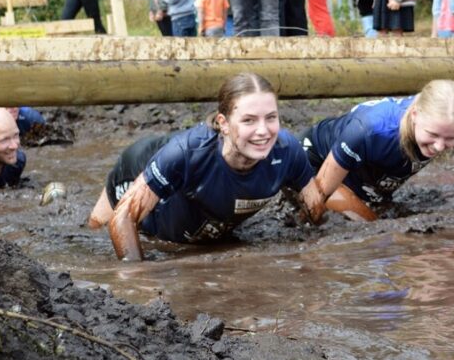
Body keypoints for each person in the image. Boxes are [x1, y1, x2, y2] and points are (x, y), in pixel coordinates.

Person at [87, 73, 321, 261]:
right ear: (224, 124)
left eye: (271, 118)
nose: (263, 131)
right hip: (139, 166)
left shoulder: (288, 150)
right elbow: (123, 218)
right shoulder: (187, 154)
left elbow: (316, 212)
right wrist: (138, 278)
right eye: (249, 120)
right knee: (94, 236)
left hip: (202, 211)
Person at [298, 79, 454, 223]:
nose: (439, 146)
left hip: (365, 172)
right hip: (316, 163)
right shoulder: (370, 130)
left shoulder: (449, 121)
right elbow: (319, 194)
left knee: (383, 212)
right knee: (375, 230)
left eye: (449, 139)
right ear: (414, 115)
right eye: (432, 134)